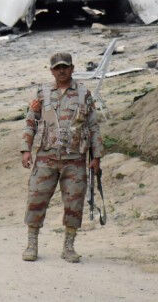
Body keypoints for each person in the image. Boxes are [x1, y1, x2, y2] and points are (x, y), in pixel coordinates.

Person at [20, 52, 103, 263]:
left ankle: (69, 247)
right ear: (52, 71)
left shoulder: (84, 93)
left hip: (75, 159)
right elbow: (31, 121)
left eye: (65, 67)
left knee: (74, 203)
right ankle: (31, 244)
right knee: (36, 200)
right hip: (46, 157)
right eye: (57, 68)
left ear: (72, 68)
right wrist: (26, 150)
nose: (62, 71)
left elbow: (93, 126)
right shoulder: (43, 93)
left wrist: (96, 156)